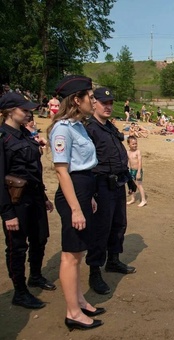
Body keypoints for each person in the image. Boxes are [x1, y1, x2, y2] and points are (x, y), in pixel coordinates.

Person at [48, 75, 104, 330]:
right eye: (89, 97)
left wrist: (89, 197)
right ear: (76, 100)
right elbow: (62, 171)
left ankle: (79, 300)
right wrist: (75, 208)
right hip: (72, 193)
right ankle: (73, 313)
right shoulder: (62, 129)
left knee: (79, 252)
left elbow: (85, 168)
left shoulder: (79, 125)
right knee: (70, 255)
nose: (93, 101)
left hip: (84, 190)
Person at [0, 93, 55, 309]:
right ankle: (20, 292)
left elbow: (34, 171)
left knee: (40, 238)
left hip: (35, 197)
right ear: (9, 111)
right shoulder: (3, 138)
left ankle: (35, 276)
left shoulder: (26, 134)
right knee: (17, 247)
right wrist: (7, 213)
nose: (28, 113)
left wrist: (44, 197)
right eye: (24, 109)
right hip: (16, 202)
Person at [85, 87, 137, 295]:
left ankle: (113, 260)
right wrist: (90, 191)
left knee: (118, 224)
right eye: (103, 102)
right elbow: (85, 163)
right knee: (101, 229)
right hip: (100, 185)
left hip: (117, 184)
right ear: (94, 103)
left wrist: (129, 179)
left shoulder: (110, 128)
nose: (108, 106)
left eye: (110, 103)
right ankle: (94, 271)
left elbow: (118, 154)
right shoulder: (89, 128)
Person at [127, 136, 147, 207]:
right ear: (128, 144)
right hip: (131, 170)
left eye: (136, 144)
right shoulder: (128, 152)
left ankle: (144, 200)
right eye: (133, 144)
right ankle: (133, 198)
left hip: (138, 170)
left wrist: (138, 172)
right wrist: (128, 170)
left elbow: (140, 162)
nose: (135, 145)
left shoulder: (138, 152)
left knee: (139, 185)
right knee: (132, 185)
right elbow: (128, 162)